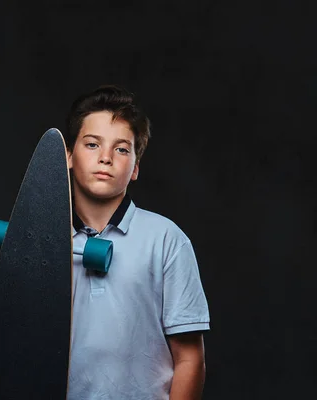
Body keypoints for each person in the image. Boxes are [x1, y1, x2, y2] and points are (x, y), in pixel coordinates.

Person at [64, 85, 211, 399]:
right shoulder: (43, 241)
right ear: (67, 156)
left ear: (135, 168)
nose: (105, 158)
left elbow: (189, 358)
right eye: (92, 144)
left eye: (121, 149)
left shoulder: (166, 240)